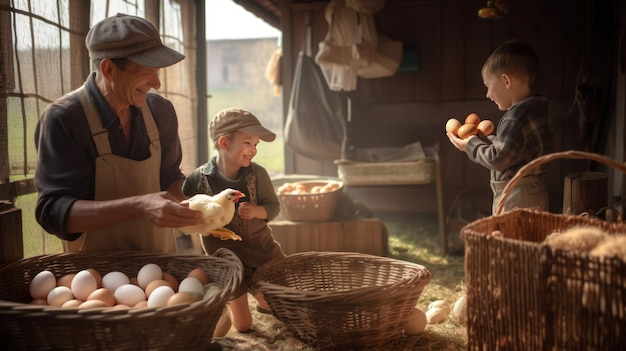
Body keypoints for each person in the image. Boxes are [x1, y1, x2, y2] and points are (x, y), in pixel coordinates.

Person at [34, 13, 204, 253]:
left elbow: (169, 177)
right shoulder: (65, 119)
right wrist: (138, 206)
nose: (157, 83)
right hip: (94, 279)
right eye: (147, 71)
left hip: (162, 269)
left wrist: (199, 203)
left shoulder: (161, 111)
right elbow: (54, 212)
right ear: (109, 69)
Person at [182, 108, 286, 332]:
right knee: (243, 326)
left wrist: (257, 211)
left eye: (256, 145)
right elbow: (183, 204)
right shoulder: (197, 180)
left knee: (278, 305)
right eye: (248, 143)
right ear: (224, 143)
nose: (253, 150)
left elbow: (274, 207)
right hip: (228, 259)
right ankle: (227, 303)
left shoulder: (258, 175)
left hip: (261, 251)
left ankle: (262, 298)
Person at [446, 39, 553, 214]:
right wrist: (486, 140)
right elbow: (514, 152)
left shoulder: (516, 118)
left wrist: (471, 144)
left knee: (512, 240)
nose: (488, 94)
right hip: (532, 189)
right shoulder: (535, 109)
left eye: (488, 86)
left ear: (506, 81)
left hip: (518, 194)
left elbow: (498, 159)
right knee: (528, 239)